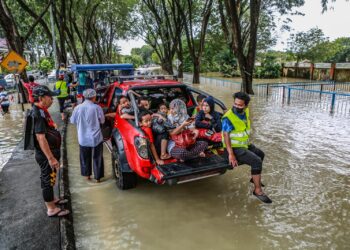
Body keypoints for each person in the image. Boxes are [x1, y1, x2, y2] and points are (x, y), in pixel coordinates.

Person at [222, 92, 272, 204]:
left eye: (240, 105)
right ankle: (257, 191)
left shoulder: (246, 112)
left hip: (243, 144)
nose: (236, 107)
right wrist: (230, 154)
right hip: (233, 147)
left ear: (245, 106)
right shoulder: (228, 118)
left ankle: (253, 179)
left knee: (261, 154)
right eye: (235, 104)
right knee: (257, 161)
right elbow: (226, 135)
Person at [32, 85, 70, 217]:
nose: (52, 100)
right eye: (50, 97)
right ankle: (51, 209)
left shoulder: (41, 111)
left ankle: (52, 200)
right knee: (47, 180)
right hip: (45, 155)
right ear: (41, 98)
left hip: (50, 152)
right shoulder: (37, 113)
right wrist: (51, 158)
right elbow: (41, 138)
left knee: (51, 177)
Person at [70, 89, 105, 182]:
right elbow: (102, 121)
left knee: (84, 158)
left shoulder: (77, 108)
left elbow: (72, 121)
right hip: (96, 138)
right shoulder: (97, 107)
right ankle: (98, 179)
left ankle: (87, 177)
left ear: (84, 97)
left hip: (83, 138)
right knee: (97, 158)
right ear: (94, 97)